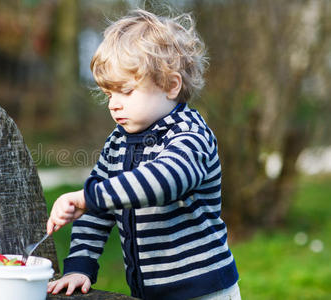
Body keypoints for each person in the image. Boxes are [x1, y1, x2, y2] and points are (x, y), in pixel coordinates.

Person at [46, 8, 240, 300]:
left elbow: (162, 182)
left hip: (205, 290)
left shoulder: (190, 136)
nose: (114, 104)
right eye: (109, 94)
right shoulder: (118, 142)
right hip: (149, 293)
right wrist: (80, 266)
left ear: (171, 85)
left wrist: (89, 197)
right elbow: (97, 209)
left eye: (126, 91)